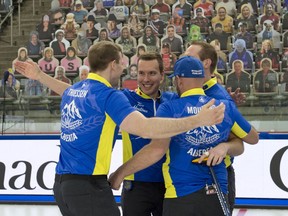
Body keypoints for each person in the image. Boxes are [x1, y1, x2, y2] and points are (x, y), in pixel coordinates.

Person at [14, 41, 225, 216]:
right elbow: (145, 128)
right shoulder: (111, 95)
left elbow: (67, 91)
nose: (127, 69)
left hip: (64, 185)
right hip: (93, 186)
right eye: (124, 63)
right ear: (113, 64)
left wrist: (41, 76)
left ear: (162, 75)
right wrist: (198, 119)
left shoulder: (80, 90)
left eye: (152, 73)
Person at [109, 56, 258, 216]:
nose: (146, 79)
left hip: (169, 186)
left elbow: (157, 148)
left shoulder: (171, 102)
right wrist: (228, 103)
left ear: (164, 76)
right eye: (141, 73)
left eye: (152, 73)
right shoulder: (125, 98)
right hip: (137, 185)